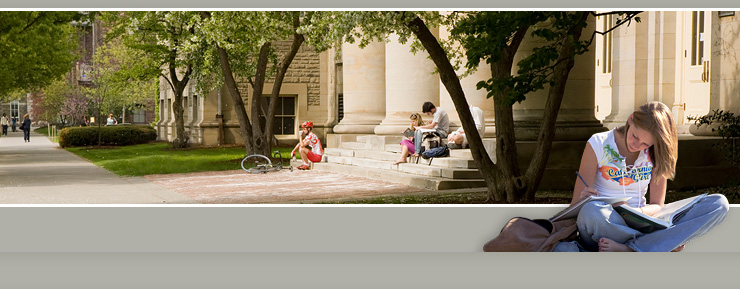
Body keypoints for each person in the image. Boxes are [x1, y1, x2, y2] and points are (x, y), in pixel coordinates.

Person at [553, 102, 729, 252]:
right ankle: (659, 244)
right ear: (630, 119)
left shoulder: (655, 153)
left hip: (640, 220)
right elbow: (575, 207)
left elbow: (658, 205)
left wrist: (636, 212)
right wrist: (584, 200)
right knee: (592, 211)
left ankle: (632, 248)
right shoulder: (598, 143)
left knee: (718, 204)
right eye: (635, 136)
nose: (637, 145)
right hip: (604, 221)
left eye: (645, 143)